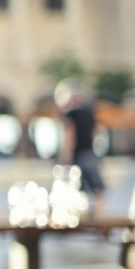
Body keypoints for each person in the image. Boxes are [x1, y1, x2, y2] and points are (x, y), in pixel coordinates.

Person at [55, 78, 105, 214]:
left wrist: (66, 154)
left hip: (78, 154)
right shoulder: (89, 112)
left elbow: (70, 135)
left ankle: (76, 214)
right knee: (96, 186)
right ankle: (101, 214)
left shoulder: (70, 115)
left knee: (74, 185)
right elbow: (96, 131)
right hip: (89, 152)